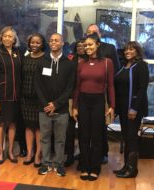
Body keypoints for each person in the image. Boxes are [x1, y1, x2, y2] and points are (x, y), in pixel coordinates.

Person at [72, 33, 115, 181]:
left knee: (96, 137)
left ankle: (95, 168)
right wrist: (75, 107)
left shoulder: (107, 63)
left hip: (98, 102)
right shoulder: (81, 64)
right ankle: (84, 167)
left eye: (90, 44)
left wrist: (111, 105)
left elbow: (110, 86)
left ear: (98, 45)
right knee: (83, 136)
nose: (87, 47)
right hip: (83, 101)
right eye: (85, 45)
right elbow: (77, 87)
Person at [35, 33, 75, 177]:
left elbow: (70, 88)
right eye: (51, 40)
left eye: (57, 40)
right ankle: (45, 164)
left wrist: (56, 105)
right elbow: (37, 86)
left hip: (62, 109)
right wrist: (47, 105)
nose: (53, 42)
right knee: (44, 138)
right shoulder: (41, 62)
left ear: (63, 43)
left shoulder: (69, 64)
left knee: (60, 139)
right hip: (43, 109)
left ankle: (58, 165)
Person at [113, 41, 149, 178]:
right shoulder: (124, 66)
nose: (128, 52)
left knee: (132, 138)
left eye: (132, 50)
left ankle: (132, 169)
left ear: (137, 52)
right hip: (122, 109)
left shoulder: (141, 66)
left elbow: (142, 89)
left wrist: (134, 108)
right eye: (126, 50)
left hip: (134, 109)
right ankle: (125, 166)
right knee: (126, 138)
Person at [86, 24, 120, 164]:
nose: (92, 34)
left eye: (95, 32)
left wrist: (112, 100)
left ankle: (102, 153)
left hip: (103, 94)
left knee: (101, 127)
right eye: (89, 32)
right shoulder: (84, 47)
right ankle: (87, 153)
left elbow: (116, 71)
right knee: (87, 127)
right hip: (86, 93)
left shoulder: (109, 48)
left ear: (100, 34)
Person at [0, 26, 22, 164]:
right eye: (5, 36)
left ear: (14, 39)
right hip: (2, 95)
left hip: (16, 95)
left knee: (13, 122)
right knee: (2, 123)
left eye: (10, 36)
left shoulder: (18, 53)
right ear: (1, 38)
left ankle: (10, 151)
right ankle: (1, 152)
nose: (8, 39)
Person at [21, 33, 46, 167]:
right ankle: (30, 153)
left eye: (38, 42)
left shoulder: (46, 59)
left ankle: (38, 154)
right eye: (32, 42)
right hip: (25, 98)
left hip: (39, 99)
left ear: (42, 44)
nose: (34, 45)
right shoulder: (25, 58)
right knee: (29, 125)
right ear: (29, 43)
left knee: (38, 127)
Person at [64, 38, 86, 167]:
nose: (81, 47)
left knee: (84, 130)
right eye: (78, 45)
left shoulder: (91, 61)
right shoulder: (71, 59)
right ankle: (70, 156)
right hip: (71, 98)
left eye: (83, 45)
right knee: (69, 131)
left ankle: (83, 157)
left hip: (86, 98)